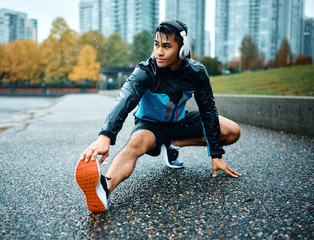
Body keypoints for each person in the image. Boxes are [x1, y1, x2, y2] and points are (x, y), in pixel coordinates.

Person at [75, 20, 241, 213]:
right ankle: (104, 188)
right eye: (156, 45)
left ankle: (172, 144)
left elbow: (208, 111)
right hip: (151, 126)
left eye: (166, 46)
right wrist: (105, 136)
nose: (159, 52)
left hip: (179, 122)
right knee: (136, 142)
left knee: (232, 131)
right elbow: (125, 99)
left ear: (182, 49)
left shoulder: (196, 72)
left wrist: (216, 154)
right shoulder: (145, 71)